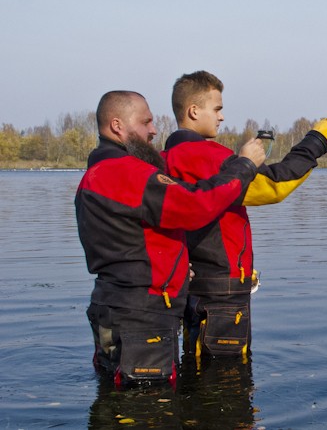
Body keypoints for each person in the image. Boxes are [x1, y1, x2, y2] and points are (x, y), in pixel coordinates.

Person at [75, 90, 266, 387]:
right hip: (141, 317)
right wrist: (244, 165)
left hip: (112, 306)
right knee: (148, 408)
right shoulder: (127, 172)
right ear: (117, 126)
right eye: (146, 122)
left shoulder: (94, 175)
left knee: (114, 396)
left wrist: (177, 268)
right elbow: (195, 205)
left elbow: (131, 245)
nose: (154, 130)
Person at [162, 70, 327, 359]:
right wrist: (318, 140)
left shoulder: (165, 158)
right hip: (221, 292)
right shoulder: (203, 156)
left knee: (198, 369)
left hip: (193, 285)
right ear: (193, 111)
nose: (221, 117)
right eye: (217, 109)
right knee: (228, 384)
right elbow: (273, 185)